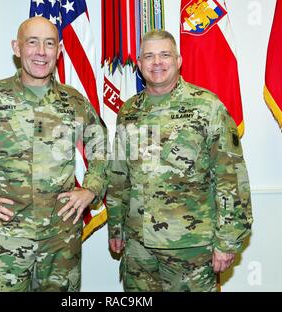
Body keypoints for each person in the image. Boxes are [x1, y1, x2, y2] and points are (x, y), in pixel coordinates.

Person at [0, 16, 107, 292]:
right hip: (6, 242)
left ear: (59, 51)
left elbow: (102, 148)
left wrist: (91, 189)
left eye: (49, 44)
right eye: (32, 42)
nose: (41, 52)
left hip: (60, 243)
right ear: (17, 47)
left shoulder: (74, 102)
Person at [106, 30, 253, 292]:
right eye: (149, 56)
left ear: (179, 60)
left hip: (190, 248)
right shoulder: (128, 111)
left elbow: (231, 177)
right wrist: (116, 226)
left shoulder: (208, 107)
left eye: (164, 55)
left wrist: (228, 240)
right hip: (139, 249)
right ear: (139, 64)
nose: (157, 62)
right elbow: (119, 175)